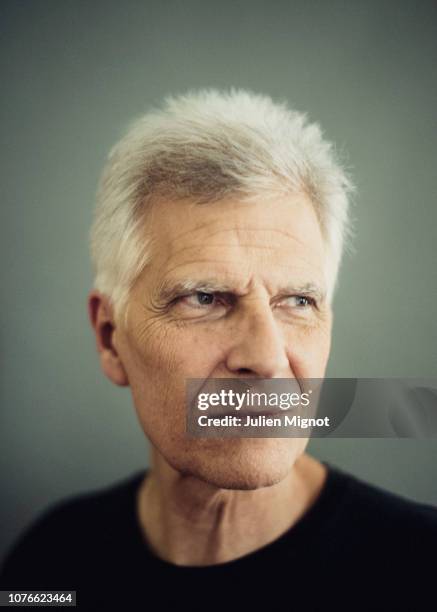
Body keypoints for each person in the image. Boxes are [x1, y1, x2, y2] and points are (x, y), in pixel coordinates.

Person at [1, 89, 436, 610]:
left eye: (298, 301)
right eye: (203, 298)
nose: (267, 357)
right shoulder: (49, 568)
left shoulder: (419, 569)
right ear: (111, 338)